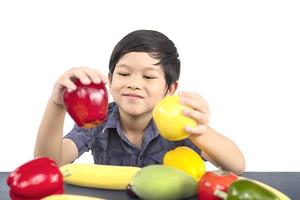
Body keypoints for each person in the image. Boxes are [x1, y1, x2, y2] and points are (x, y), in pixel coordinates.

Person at [34, 30, 245, 175]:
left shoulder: (180, 123)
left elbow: (236, 166)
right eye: (124, 73)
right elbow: (49, 163)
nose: (134, 83)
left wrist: (200, 131)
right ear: (110, 79)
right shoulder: (97, 121)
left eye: (149, 77)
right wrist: (57, 105)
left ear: (170, 89)